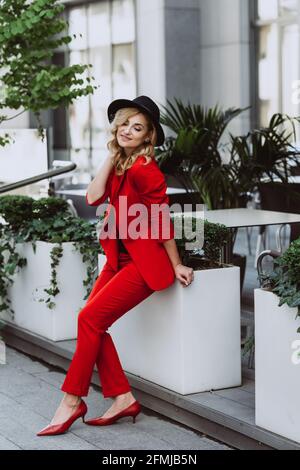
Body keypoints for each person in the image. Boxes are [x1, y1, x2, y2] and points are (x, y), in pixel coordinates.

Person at [37, 95, 194, 436]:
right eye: (124, 124)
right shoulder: (121, 163)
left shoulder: (144, 169)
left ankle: (71, 400)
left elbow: (160, 219)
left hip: (143, 263)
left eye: (137, 128)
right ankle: (122, 397)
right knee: (91, 322)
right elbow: (93, 197)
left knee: (89, 319)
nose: (127, 131)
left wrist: (177, 264)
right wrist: (110, 157)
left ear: (148, 137)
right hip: (117, 258)